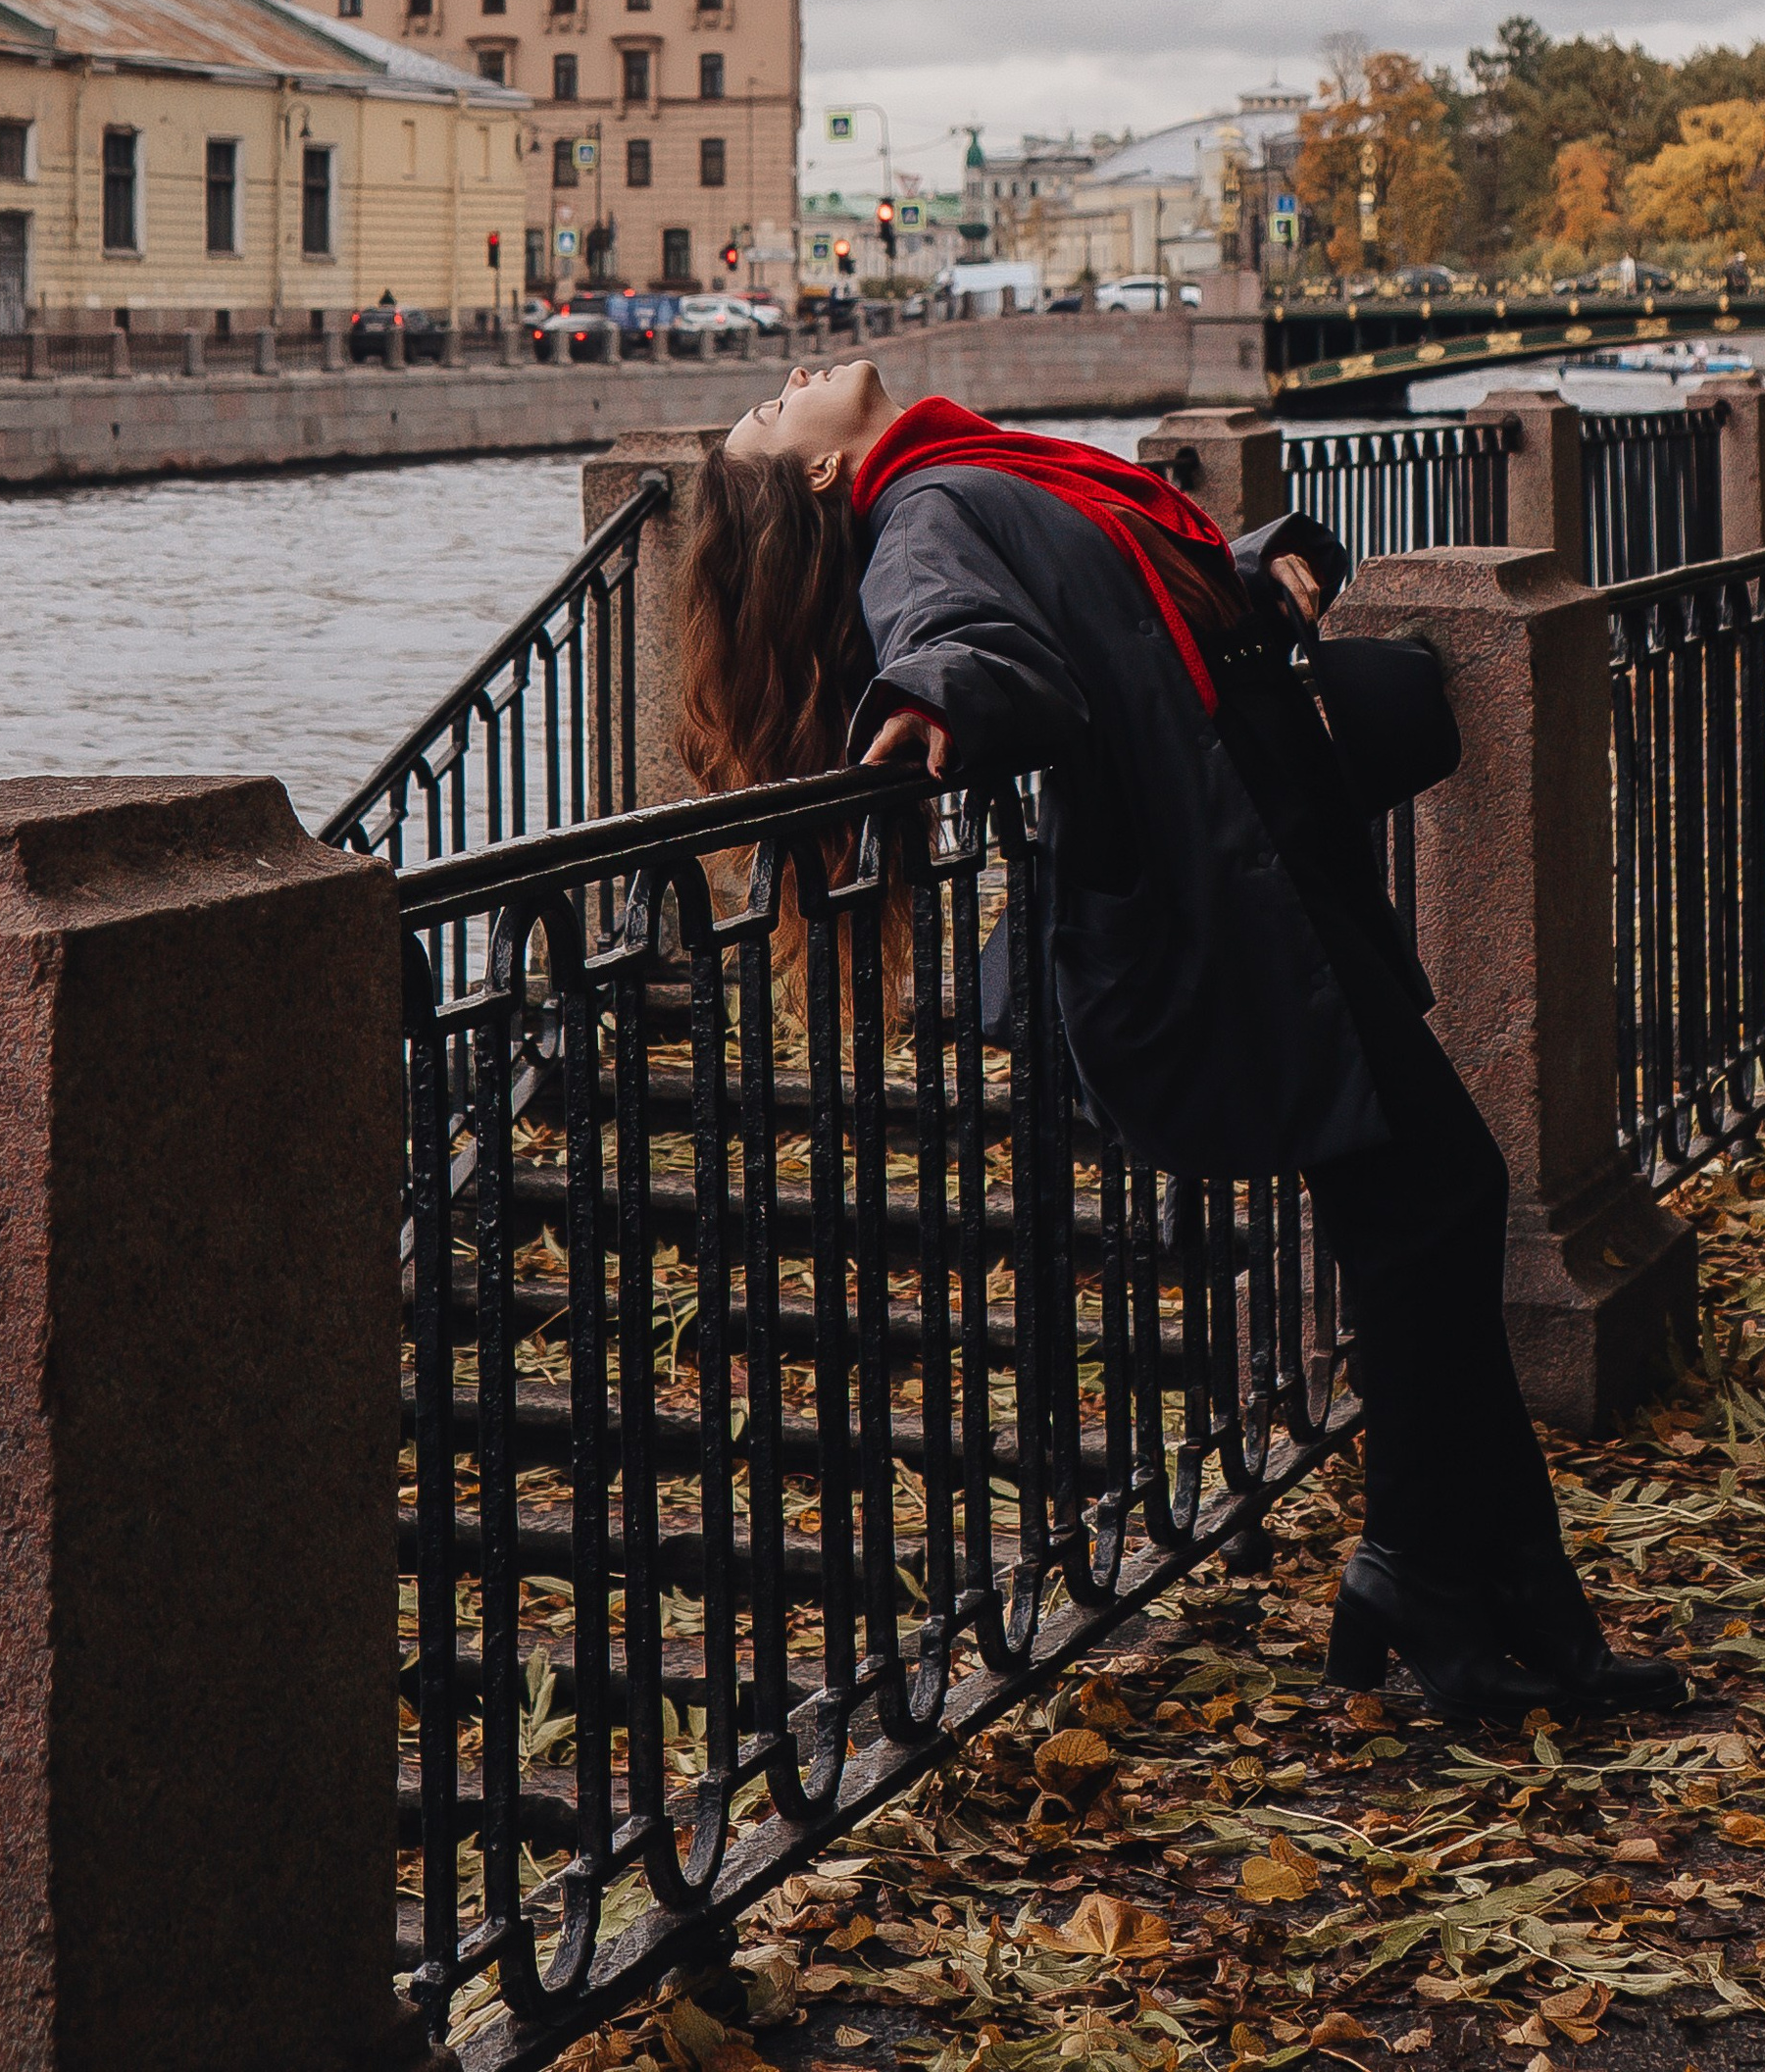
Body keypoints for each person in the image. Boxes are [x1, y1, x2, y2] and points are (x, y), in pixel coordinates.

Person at [676, 361, 1684, 1724]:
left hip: (1280, 873)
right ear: (810, 476)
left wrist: (1265, 567)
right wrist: (932, 701)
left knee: (1434, 1206)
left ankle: (1478, 1591)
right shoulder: (923, 511)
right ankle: (1458, 1589)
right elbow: (969, 633)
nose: (783, 381)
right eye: (763, 411)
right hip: (1235, 906)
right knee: (1435, 1200)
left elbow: (1120, 601)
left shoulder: (988, 468)